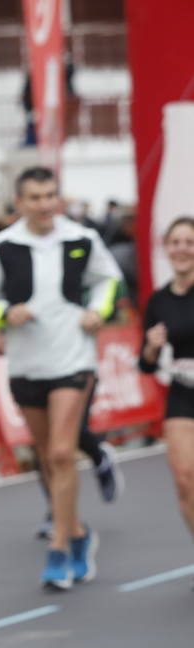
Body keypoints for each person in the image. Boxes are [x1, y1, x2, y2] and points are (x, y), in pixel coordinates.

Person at [0, 166, 123, 589]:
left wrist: (99, 310)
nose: (44, 205)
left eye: (50, 195)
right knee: (46, 457)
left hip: (73, 359)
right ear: (19, 203)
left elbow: (109, 282)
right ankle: (77, 533)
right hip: (25, 365)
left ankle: (57, 548)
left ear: (59, 198)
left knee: (60, 452)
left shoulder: (82, 239)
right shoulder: (2, 246)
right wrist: (2, 314)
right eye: (35, 197)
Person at [139, 217, 194, 552]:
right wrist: (152, 345)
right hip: (183, 394)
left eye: (189, 242)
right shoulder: (158, 301)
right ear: (166, 248)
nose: (182, 249)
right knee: (185, 481)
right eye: (176, 242)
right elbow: (145, 363)